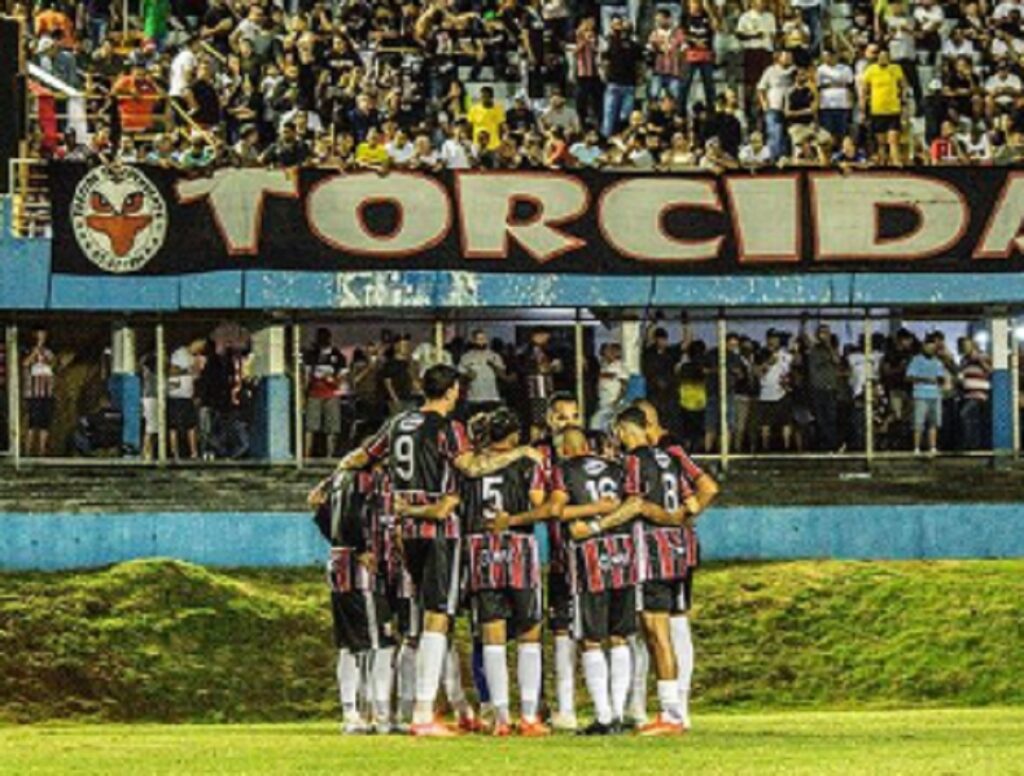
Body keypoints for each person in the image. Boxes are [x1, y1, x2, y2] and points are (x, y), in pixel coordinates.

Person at [328, 365, 541, 737]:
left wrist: (334, 478)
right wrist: (519, 453)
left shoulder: (397, 424)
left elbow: (361, 457)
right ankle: (423, 713)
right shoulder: (447, 428)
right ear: (453, 391)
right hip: (439, 528)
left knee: (426, 616)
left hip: (406, 529)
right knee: (437, 616)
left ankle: (428, 709)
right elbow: (472, 467)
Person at [463, 409, 551, 736]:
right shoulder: (527, 461)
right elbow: (540, 505)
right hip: (518, 548)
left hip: (481, 549)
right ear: (514, 435)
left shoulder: (470, 466)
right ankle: (528, 717)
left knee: (492, 634)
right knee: (529, 632)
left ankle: (500, 718)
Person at [612, 406, 700, 735]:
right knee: (662, 633)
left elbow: (634, 503)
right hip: (676, 553)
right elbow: (690, 504)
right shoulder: (671, 458)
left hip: (650, 554)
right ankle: (673, 710)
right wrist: (674, 520)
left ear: (625, 430)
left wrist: (598, 524)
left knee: (656, 632)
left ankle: (671, 714)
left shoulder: (634, 461)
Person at [550, 428, 639, 735]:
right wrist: (607, 514)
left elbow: (557, 510)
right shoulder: (618, 468)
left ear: (562, 449)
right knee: (619, 635)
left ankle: (603, 716)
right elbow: (633, 504)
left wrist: (591, 516)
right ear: (588, 446)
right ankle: (617, 712)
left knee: (591, 638)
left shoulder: (561, 471)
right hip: (624, 553)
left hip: (589, 557)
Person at [304, 327, 347, 459]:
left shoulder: (338, 356)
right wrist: (304, 393)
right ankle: (306, 455)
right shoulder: (312, 355)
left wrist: (331, 380)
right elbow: (306, 376)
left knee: (332, 428)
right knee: (310, 427)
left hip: (331, 394)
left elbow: (342, 377)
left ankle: (329, 456)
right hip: (314, 394)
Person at [907, 333, 947, 455]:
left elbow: (941, 378)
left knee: (933, 423)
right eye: (928, 345)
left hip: (935, 395)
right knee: (918, 423)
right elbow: (909, 377)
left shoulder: (938, 361)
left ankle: (933, 447)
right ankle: (916, 448)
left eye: (932, 346)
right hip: (920, 395)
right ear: (923, 346)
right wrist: (926, 379)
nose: (930, 348)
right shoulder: (916, 360)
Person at [22, 326, 57, 457]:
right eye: (40, 334)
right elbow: (25, 364)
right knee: (32, 423)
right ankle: (27, 451)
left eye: (44, 335)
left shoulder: (49, 352)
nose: (42, 337)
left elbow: (54, 364)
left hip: (47, 393)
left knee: (45, 423)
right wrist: (36, 351)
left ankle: (42, 452)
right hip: (34, 393)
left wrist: (46, 356)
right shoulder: (28, 350)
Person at [458, 330, 507, 417]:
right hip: (474, 399)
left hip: (492, 398)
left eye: (483, 339)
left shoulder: (495, 356)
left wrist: (494, 366)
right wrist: (468, 376)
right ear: (473, 341)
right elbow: (460, 378)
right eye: (479, 339)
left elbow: (503, 376)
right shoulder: (466, 357)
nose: (481, 341)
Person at [167, 341, 200, 460]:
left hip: (187, 395)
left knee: (191, 425)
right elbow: (171, 371)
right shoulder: (179, 353)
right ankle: (174, 453)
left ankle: (194, 452)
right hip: (176, 396)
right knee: (174, 425)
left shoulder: (192, 357)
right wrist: (187, 371)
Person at [590, 343, 628, 432]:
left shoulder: (620, 366)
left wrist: (618, 400)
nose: (608, 353)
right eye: (607, 351)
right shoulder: (604, 366)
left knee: (595, 423)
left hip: (613, 401)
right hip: (603, 400)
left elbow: (624, 385)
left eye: (611, 351)